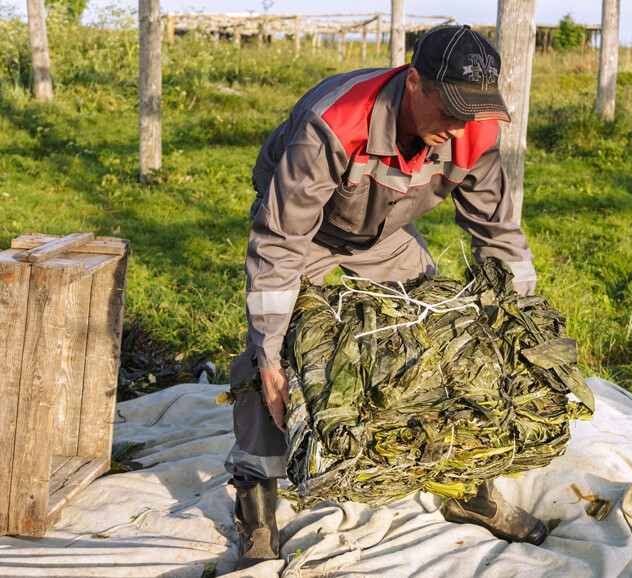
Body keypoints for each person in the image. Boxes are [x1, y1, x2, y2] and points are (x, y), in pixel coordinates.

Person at [225, 24, 546, 568]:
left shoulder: (472, 131)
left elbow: (498, 234)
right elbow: (280, 241)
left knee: (447, 338)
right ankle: (257, 503)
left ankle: (469, 487)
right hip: (309, 231)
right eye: (449, 109)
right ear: (414, 82)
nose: (458, 127)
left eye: (471, 113)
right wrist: (271, 353)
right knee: (274, 357)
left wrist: (519, 321)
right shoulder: (333, 123)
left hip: (385, 235)